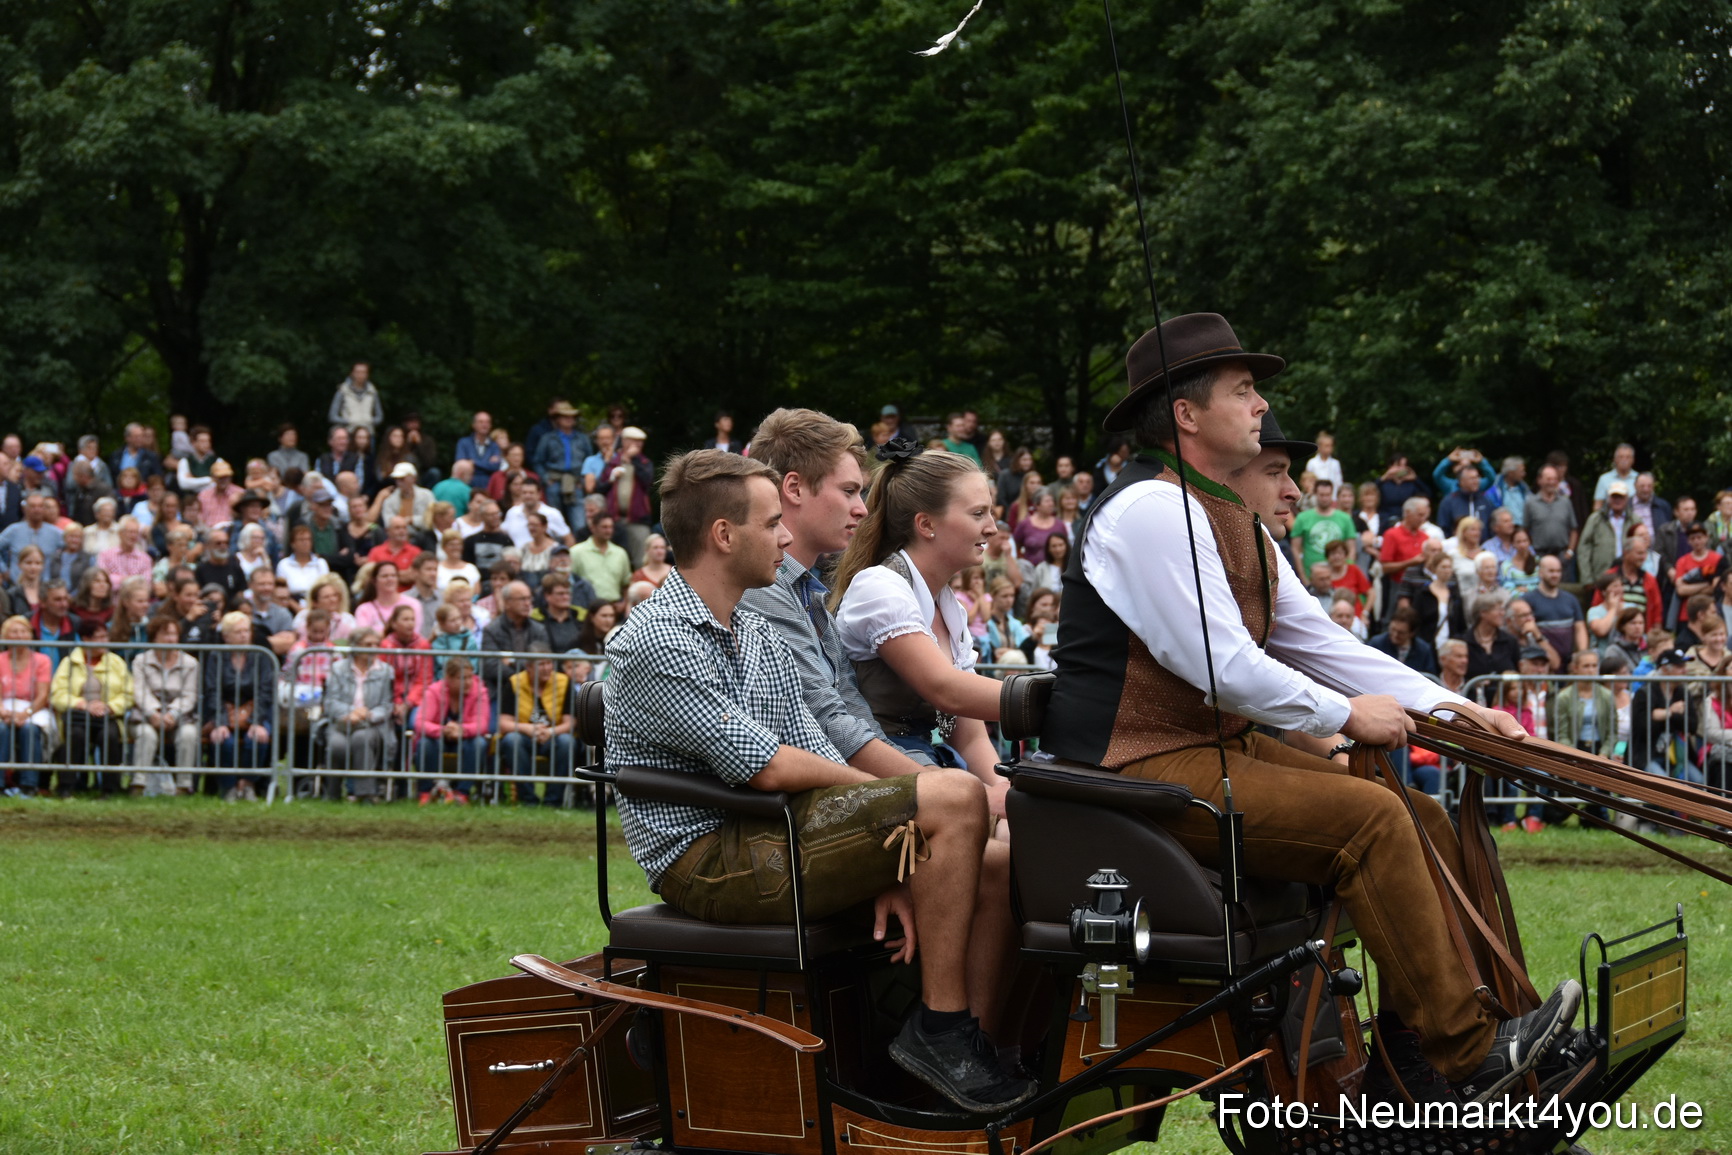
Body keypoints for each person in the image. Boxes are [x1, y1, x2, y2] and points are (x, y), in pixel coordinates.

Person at [1040, 312, 1578, 1102]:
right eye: (1245, 389)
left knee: (1419, 816)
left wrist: (1456, 712)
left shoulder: (1225, 515)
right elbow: (1223, 665)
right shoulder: (1149, 510)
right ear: (1187, 414)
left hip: (1204, 751)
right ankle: (1469, 1055)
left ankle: (1410, 1049)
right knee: (1372, 820)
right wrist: (1344, 715)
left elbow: (1324, 644)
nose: (1262, 406)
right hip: (1134, 766)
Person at [607, 447, 1032, 1113]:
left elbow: (803, 739)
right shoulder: (659, 638)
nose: (784, 536)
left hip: (768, 828)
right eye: (771, 522)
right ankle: (940, 1030)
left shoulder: (752, 625)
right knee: (952, 796)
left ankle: (964, 1071)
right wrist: (890, 810)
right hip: (707, 855)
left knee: (999, 862)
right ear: (724, 535)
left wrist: (886, 860)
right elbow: (770, 763)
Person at [832, 445, 1013, 798]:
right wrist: (1054, 697)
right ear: (926, 524)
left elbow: (969, 733)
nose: (991, 528)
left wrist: (1000, 785)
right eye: (978, 513)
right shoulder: (879, 586)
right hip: (879, 765)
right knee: (1012, 840)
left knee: (1027, 822)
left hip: (927, 760)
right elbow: (945, 689)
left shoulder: (949, 605)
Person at [49, 618, 133, 795]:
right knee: (76, 735)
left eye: (106, 637)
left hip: (107, 716)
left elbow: (128, 694)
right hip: (78, 715)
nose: (104, 641)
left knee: (109, 736)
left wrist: (109, 707)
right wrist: (82, 704)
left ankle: (110, 788)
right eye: (99, 637)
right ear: (85, 639)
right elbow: (58, 694)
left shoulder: (116, 662)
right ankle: (66, 787)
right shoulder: (69, 662)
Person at [204, 610, 275, 802]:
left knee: (258, 737)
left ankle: (247, 784)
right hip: (224, 711)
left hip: (255, 711)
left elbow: (265, 691)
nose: (244, 635)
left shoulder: (261, 656)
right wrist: (220, 722)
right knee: (223, 740)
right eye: (238, 632)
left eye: (246, 631)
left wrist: (257, 721)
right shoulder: (216, 657)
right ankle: (229, 787)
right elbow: (213, 691)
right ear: (226, 636)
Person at [320, 630, 397, 803]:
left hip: (372, 725)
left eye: (375, 644)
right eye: (367, 644)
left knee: (361, 739)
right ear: (354, 647)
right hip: (342, 723)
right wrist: (350, 712)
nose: (373, 648)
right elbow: (330, 701)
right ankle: (332, 794)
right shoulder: (338, 668)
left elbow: (387, 705)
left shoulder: (385, 671)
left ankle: (365, 794)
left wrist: (368, 714)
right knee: (336, 744)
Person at [130, 616, 201, 797]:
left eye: (174, 634)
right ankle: (138, 785)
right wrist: (153, 712)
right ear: (154, 637)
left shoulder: (190, 663)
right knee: (146, 734)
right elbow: (140, 691)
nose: (170, 639)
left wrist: (172, 714)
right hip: (146, 716)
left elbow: (189, 695)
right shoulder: (140, 660)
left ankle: (183, 786)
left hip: (180, 716)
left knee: (188, 734)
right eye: (165, 634)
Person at [497, 645, 576, 806]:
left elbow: (571, 723)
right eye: (541, 664)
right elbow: (504, 722)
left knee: (567, 742)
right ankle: (528, 799)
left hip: (554, 735)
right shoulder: (514, 682)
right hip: (525, 736)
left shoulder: (564, 682)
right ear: (529, 667)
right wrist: (528, 729)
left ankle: (553, 801)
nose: (547, 668)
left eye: (549, 663)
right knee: (512, 740)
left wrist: (550, 732)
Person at [412, 657, 489, 805]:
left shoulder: (480, 692)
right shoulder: (434, 691)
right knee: (425, 743)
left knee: (479, 743)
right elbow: (420, 722)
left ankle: (462, 793)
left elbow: (482, 724)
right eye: (462, 678)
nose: (468, 682)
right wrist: (443, 730)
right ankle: (426, 792)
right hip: (438, 738)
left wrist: (462, 730)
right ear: (449, 679)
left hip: (465, 738)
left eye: (470, 677)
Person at [0, 614, 53, 795]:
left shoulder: (42, 660)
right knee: (1, 729)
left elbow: (43, 694)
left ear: (30, 635)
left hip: (33, 708)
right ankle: (1, 784)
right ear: (5, 635)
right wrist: (3, 712)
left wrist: (26, 713)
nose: (19, 635)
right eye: (14, 632)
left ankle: (29, 785)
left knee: (29, 729)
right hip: (4, 707)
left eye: (23, 631)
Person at [597, 426, 655, 564]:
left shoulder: (645, 463)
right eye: (634, 441)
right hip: (614, 520)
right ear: (624, 441)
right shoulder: (613, 462)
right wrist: (611, 477)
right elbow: (599, 488)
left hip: (638, 519)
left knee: (642, 559)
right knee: (614, 559)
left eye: (640, 442)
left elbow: (648, 482)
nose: (638, 445)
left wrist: (633, 460)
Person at [1522, 555, 1587, 669]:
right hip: (1542, 663)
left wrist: (1581, 655)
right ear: (1540, 572)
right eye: (1551, 571)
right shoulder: (1528, 600)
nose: (1555, 575)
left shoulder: (1571, 599)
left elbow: (1580, 627)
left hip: (1569, 663)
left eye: (1558, 571)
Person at [1289, 478, 1354, 574]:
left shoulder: (1345, 519)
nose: (1325, 498)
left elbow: (1351, 549)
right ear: (1315, 494)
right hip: (1311, 575)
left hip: (1339, 574)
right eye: (1321, 495)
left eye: (1328, 495)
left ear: (1332, 495)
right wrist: (1302, 577)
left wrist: (1348, 573)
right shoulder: (1302, 518)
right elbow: (1295, 549)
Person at [1524, 465, 1578, 575]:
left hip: (1563, 557)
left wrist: (1570, 552)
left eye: (1555, 479)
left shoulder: (1565, 502)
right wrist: (1531, 552)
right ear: (1540, 480)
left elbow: (1574, 529)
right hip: (1539, 556)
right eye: (1548, 479)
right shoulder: (1530, 503)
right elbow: (1525, 530)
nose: (1552, 482)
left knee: (1565, 589)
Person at [571, 514, 631, 603]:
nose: (609, 531)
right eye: (604, 527)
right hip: (587, 606)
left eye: (611, 527)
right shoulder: (576, 552)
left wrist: (624, 603)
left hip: (614, 606)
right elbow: (570, 581)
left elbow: (626, 583)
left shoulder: (620, 553)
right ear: (593, 528)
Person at [0, 494, 64, 579]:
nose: (36, 510)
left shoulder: (55, 533)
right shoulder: (14, 530)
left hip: (44, 587)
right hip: (16, 586)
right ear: (25, 509)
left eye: (40, 506)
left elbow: (72, 550)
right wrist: (4, 570)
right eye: (32, 506)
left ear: (44, 509)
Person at [353, 560, 422, 637]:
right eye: (384, 576)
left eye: (393, 575)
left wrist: (379, 634)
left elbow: (414, 634)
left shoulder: (413, 604)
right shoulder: (364, 609)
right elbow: (364, 637)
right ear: (374, 580)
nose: (390, 579)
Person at [1436, 463, 1495, 537]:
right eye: (1472, 478)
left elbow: (1492, 527)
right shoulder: (1449, 502)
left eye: (1477, 477)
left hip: (1483, 546)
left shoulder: (1486, 500)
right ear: (1461, 481)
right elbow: (1443, 528)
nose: (1476, 481)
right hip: (1457, 546)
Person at [328, 361, 383, 434]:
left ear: (367, 374)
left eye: (363, 372)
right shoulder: (342, 391)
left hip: (368, 433)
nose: (360, 375)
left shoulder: (372, 391)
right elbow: (332, 416)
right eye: (358, 372)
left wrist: (368, 421)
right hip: (348, 433)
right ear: (352, 373)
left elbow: (379, 416)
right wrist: (349, 421)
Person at [1592, 442, 1637, 512]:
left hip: (1635, 520)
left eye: (1628, 457)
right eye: (1621, 457)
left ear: (1633, 460)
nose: (1624, 460)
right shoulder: (1604, 479)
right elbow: (1598, 506)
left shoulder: (1639, 479)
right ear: (1615, 459)